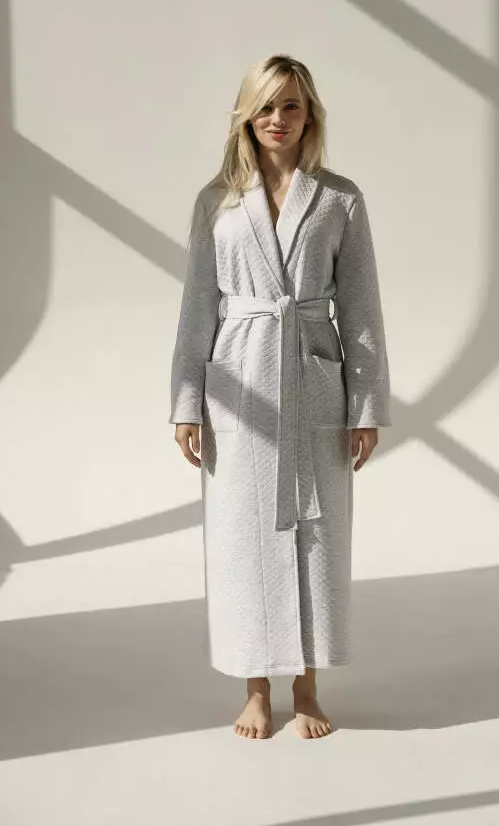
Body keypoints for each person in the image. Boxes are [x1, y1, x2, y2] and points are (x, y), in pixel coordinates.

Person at [169, 54, 391, 740]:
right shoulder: (217, 200)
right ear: (246, 115)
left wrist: (365, 406)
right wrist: (185, 401)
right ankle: (256, 688)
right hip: (238, 381)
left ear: (309, 114)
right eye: (265, 106)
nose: (277, 118)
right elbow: (198, 306)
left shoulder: (340, 198)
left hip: (313, 379)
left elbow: (360, 309)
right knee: (242, 540)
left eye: (290, 105)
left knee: (317, 537)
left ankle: (308, 686)